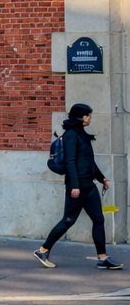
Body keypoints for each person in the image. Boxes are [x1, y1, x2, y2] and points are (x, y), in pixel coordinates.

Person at [35, 103, 121, 270]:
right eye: (89, 115)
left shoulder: (82, 134)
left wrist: (102, 178)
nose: (91, 117)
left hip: (89, 185)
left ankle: (103, 258)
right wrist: (74, 186)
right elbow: (70, 162)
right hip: (78, 186)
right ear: (82, 117)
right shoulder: (71, 135)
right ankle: (42, 250)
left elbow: (89, 160)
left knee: (98, 219)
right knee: (68, 220)